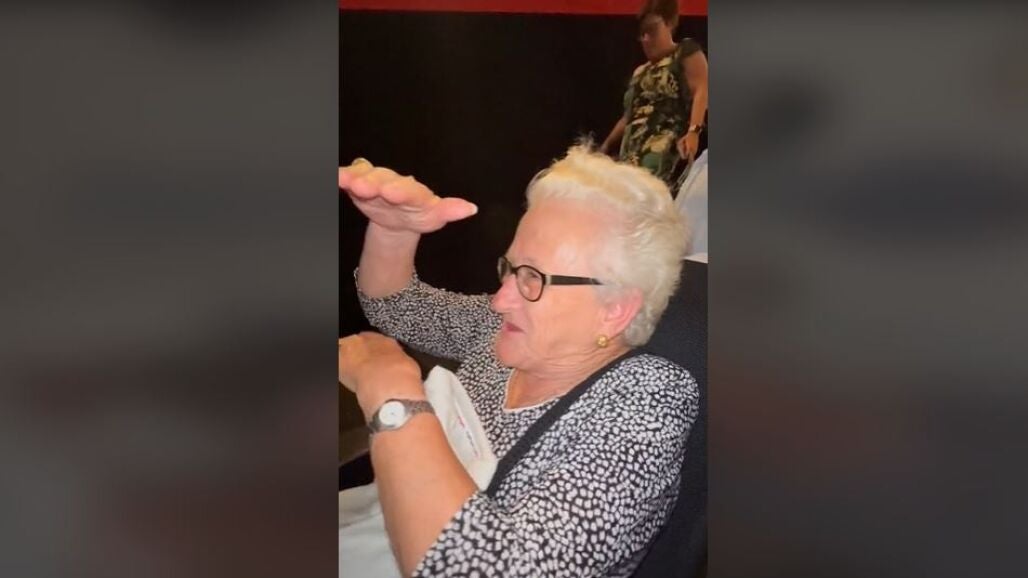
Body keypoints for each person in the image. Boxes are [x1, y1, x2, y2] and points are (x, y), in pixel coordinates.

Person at [337, 145, 699, 577]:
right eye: (510, 269)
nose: (501, 299)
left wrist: (392, 393)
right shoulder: (507, 331)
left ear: (615, 310)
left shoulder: (650, 398)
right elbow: (398, 307)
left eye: (532, 278)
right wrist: (394, 233)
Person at [600, 0, 709, 184]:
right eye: (642, 34)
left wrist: (694, 131)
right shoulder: (640, 72)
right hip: (632, 148)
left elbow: (702, 88)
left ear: (669, 24)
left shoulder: (684, 52)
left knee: (650, 186)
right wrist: (606, 145)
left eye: (652, 31)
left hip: (663, 144)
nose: (646, 39)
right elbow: (628, 116)